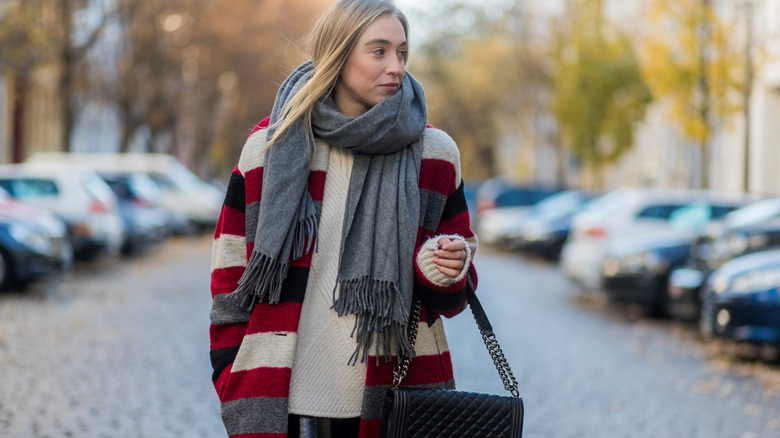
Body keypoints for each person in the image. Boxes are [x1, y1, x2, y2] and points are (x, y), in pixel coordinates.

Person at [209, 1, 478, 437]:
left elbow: (456, 296)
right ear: (338, 54)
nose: (396, 67)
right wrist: (232, 378)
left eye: (402, 52)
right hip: (279, 402)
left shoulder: (435, 156)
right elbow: (230, 277)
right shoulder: (268, 150)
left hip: (402, 402)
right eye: (379, 51)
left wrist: (442, 269)